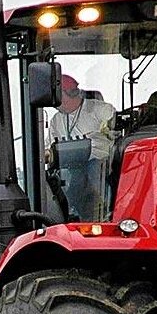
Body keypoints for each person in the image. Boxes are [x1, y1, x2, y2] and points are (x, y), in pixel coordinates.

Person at [45, 74, 116, 220]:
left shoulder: (99, 109)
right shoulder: (57, 120)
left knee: (92, 174)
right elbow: (48, 147)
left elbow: (115, 127)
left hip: (100, 163)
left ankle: (105, 216)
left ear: (68, 94)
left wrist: (108, 127)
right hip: (70, 167)